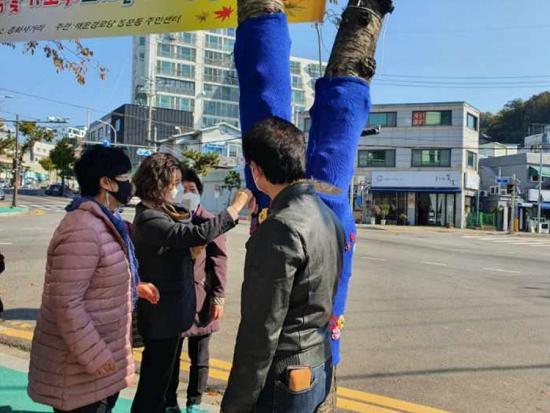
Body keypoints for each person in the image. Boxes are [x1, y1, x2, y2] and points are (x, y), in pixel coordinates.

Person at [221, 117, 345, 413]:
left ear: (256, 170)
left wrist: (236, 404)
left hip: (283, 376)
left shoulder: (281, 226)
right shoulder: (327, 216)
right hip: (317, 362)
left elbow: (261, 330)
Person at [28, 145, 160, 413]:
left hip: (98, 367)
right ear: (106, 183)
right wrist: (96, 356)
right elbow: (66, 303)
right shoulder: (83, 229)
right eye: (125, 177)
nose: (131, 184)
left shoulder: (106, 222)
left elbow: (93, 279)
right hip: (80, 372)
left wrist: (132, 286)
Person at [130, 153, 252, 413]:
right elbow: (197, 234)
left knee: (159, 382)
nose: (177, 190)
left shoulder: (163, 212)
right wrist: (235, 207)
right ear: (157, 183)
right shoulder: (149, 217)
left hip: (172, 314)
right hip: (162, 316)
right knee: (153, 386)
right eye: (174, 183)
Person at [165, 169, 228, 413]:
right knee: (172, 356)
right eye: (182, 189)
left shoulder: (210, 221)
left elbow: (219, 262)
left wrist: (218, 296)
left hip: (202, 299)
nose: (187, 193)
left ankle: (195, 402)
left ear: (200, 193)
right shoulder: (169, 219)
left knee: (199, 357)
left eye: (192, 189)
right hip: (174, 300)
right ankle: (170, 401)